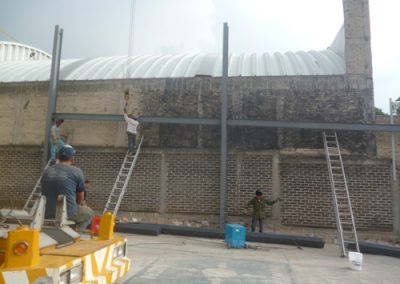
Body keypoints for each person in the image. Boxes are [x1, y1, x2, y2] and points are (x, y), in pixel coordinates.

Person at [41, 145, 93, 231]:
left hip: (45, 212)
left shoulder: (47, 170)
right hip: (67, 213)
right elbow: (80, 198)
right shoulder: (76, 171)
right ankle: (75, 235)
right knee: (89, 213)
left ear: (58, 157)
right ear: (72, 158)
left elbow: (43, 189)